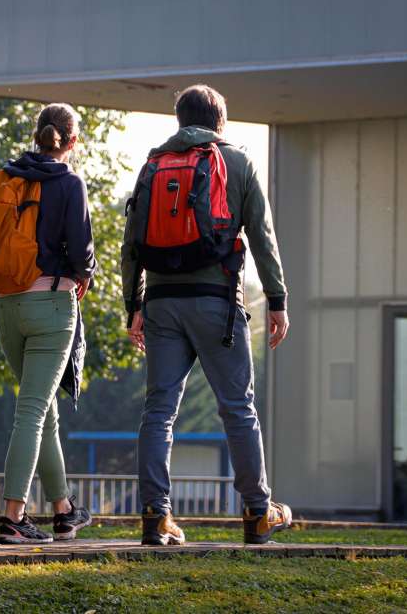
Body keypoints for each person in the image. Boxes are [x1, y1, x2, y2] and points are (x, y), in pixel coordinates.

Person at [121, 85, 292, 546]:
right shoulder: (237, 161)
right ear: (221, 121)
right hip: (216, 303)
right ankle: (258, 514)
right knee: (238, 410)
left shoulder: (152, 165)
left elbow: (132, 242)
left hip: (160, 304)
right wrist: (276, 299)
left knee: (158, 411)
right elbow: (262, 235)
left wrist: (133, 305)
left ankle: (156, 518)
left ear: (180, 119)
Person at [0, 103, 94, 544]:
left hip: (4, 305)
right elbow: (82, 249)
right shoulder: (69, 182)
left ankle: (63, 509)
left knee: (42, 407)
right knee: (32, 411)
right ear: (71, 141)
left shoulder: (10, 176)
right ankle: (13, 518)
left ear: (37, 136)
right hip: (50, 304)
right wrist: (85, 274)